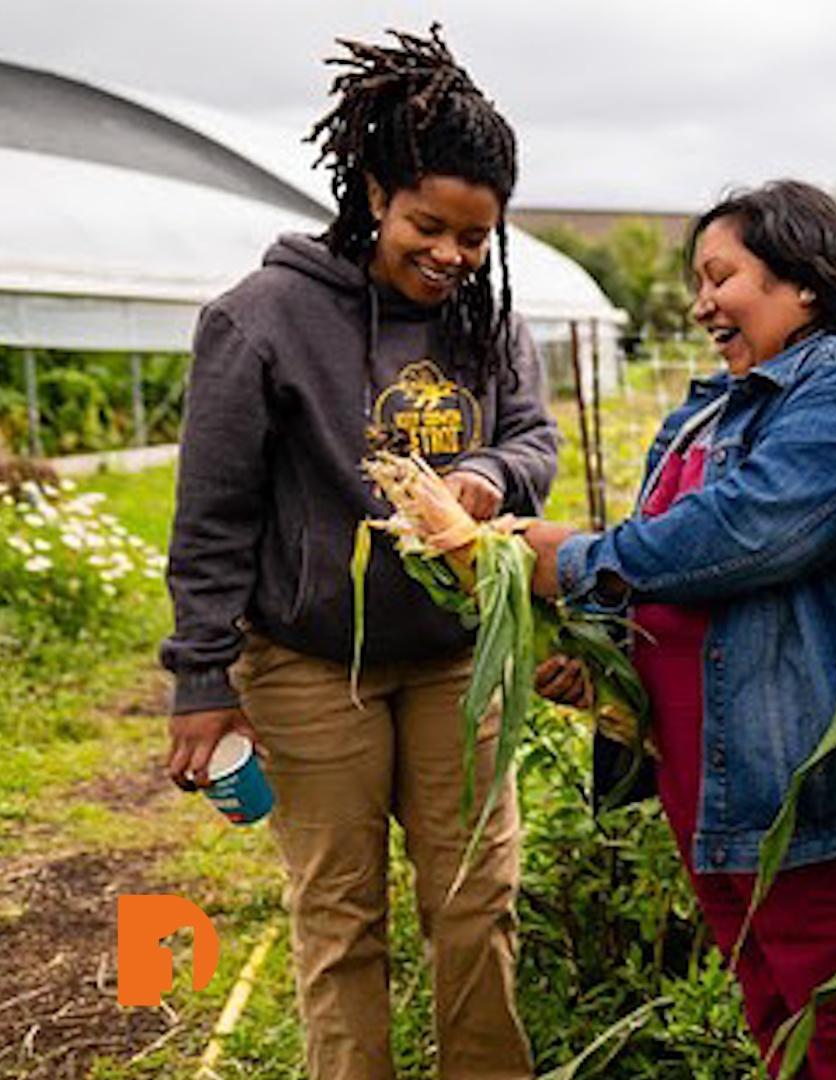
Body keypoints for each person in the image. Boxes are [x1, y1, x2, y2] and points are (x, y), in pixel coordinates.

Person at [524, 180, 836, 1078]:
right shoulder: (710, 409)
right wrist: (608, 659)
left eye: (721, 275)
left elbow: (754, 533)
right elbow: (683, 584)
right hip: (728, 806)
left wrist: (578, 562)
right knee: (786, 1032)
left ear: (806, 280)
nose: (700, 301)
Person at [160, 27, 554, 1080]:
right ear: (374, 189)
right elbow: (212, 516)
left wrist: (489, 475)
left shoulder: (488, 321)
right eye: (430, 226)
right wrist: (202, 675)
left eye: (477, 238)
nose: (453, 257)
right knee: (341, 916)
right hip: (307, 663)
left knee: (477, 899)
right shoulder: (261, 320)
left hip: (457, 655)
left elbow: (532, 438)